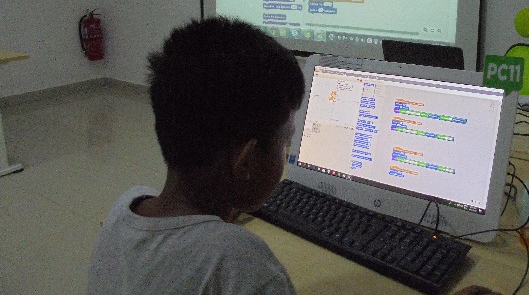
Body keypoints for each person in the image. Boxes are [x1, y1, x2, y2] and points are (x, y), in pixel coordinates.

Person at [87, 16, 501, 295]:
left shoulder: (127, 207)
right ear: (247, 162)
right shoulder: (239, 265)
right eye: (286, 141)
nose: (288, 152)